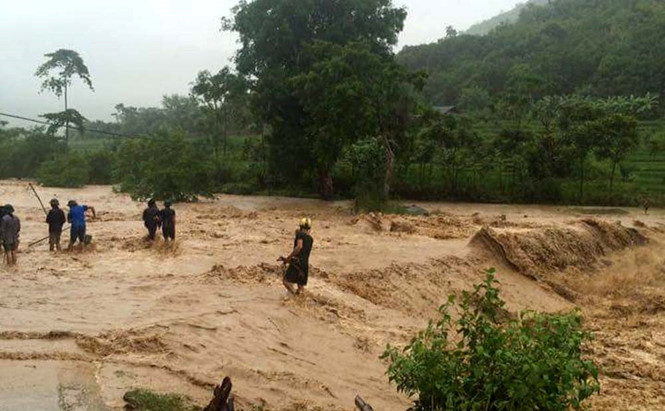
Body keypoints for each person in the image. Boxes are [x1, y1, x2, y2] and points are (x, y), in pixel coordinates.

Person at [278, 217, 314, 296]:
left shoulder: (300, 234)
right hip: (305, 265)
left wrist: (288, 258)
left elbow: (299, 247)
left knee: (286, 281)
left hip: (297, 263)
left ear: (300, 226)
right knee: (300, 286)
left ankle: (295, 297)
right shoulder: (311, 239)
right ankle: (302, 301)